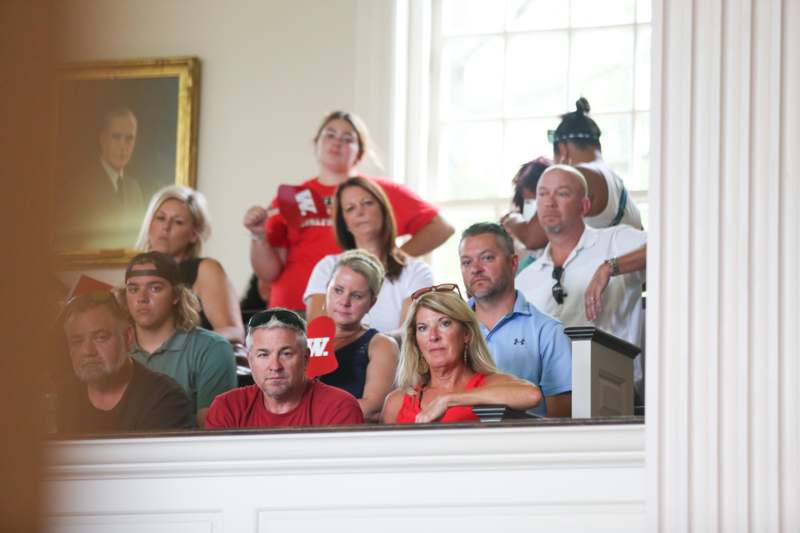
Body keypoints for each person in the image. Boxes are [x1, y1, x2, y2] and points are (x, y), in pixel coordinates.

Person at [244, 110, 454, 312]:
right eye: (330, 135)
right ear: (316, 143)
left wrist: (392, 261)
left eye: (347, 138)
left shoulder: (378, 192)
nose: (337, 142)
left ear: (360, 152)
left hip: (354, 310)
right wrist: (258, 235)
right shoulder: (292, 197)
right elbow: (269, 272)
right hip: (292, 308)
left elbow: (441, 228)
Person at [514, 165, 647, 390]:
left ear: (584, 206)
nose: (550, 202)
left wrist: (609, 267)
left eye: (562, 193)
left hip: (613, 390)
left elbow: (670, 246)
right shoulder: (525, 279)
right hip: (548, 395)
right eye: (543, 194)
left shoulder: (614, 241)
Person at [381, 286, 542, 424]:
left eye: (445, 323)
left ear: (466, 334)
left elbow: (531, 395)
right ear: (415, 340)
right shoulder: (396, 402)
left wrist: (448, 400)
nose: (433, 336)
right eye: (423, 328)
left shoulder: (487, 384)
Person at [459, 222, 573, 417]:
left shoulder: (547, 331)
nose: (475, 269)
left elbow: (560, 420)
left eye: (486, 258)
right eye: (467, 262)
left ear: (513, 264)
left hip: (523, 444)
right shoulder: (448, 327)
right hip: (457, 442)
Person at [502, 98, 642, 251]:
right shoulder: (613, 179)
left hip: (609, 273)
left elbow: (532, 238)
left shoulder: (580, 175)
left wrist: (512, 219)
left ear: (563, 149)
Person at [303, 176, 434, 335]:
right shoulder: (327, 267)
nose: (360, 211)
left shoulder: (417, 271)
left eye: (367, 203)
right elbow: (318, 334)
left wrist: (373, 348)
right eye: (350, 208)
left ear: (383, 210)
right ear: (344, 223)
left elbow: (410, 334)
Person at [120, 251, 237, 427]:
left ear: (175, 296)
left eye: (155, 288)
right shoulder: (115, 349)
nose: (142, 298)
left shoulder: (213, 349)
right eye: (133, 289)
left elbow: (212, 435)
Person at [58, 291, 195, 433]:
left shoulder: (165, 399)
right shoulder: (65, 396)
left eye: (100, 337)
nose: (88, 351)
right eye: (77, 341)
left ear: (127, 337)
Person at [204, 309, 364, 429]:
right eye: (263, 355)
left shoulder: (339, 408)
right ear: (250, 361)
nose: (275, 366)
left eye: (286, 353)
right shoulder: (227, 408)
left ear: (306, 359)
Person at [135, 185, 245, 344]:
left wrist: (186, 345)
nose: (166, 227)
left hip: (197, 364)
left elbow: (234, 332)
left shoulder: (206, 269)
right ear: (149, 223)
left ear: (193, 234)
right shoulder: (137, 272)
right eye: (160, 218)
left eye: (178, 222)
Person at [316, 250, 399, 421]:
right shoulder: (312, 338)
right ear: (327, 290)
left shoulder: (381, 345)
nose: (344, 302)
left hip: (353, 437)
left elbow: (373, 407)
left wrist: (312, 416)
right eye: (338, 290)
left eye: (356, 296)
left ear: (372, 303)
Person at [58, 107, 146, 249]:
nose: (123, 146)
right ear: (103, 140)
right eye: (116, 137)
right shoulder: (81, 188)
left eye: (129, 138)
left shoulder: (134, 188)